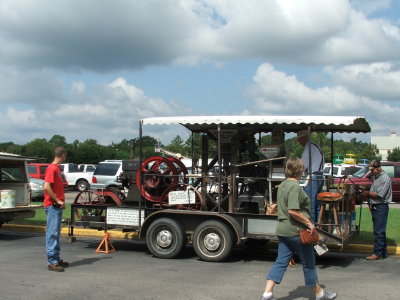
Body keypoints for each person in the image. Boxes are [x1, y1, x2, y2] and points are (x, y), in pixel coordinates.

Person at [260, 158, 336, 300]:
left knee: (280, 262)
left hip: (283, 230)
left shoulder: (282, 185)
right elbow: (293, 211)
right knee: (309, 265)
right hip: (297, 231)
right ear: (300, 170)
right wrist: (309, 223)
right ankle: (320, 293)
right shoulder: (295, 187)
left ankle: (267, 294)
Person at [361, 160, 392, 260]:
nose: (371, 172)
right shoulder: (377, 177)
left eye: (372, 170)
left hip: (380, 206)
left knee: (379, 231)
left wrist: (367, 193)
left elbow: (380, 195)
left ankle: (377, 253)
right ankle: (383, 252)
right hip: (376, 206)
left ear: (378, 169)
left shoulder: (384, 178)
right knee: (380, 230)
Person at [44, 146, 69, 272]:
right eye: (66, 155)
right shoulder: (52, 168)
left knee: (56, 233)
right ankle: (52, 261)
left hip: (57, 206)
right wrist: (57, 200)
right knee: (52, 233)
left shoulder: (57, 169)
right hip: (53, 206)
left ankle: (56, 258)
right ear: (63, 155)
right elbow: (47, 187)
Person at [297, 130, 324, 223]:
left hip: (313, 177)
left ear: (304, 138)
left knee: (310, 204)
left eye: (299, 139)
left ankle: (310, 226)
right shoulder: (315, 145)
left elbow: (302, 165)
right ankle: (316, 225)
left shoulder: (308, 147)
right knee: (316, 204)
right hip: (319, 176)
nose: (299, 142)